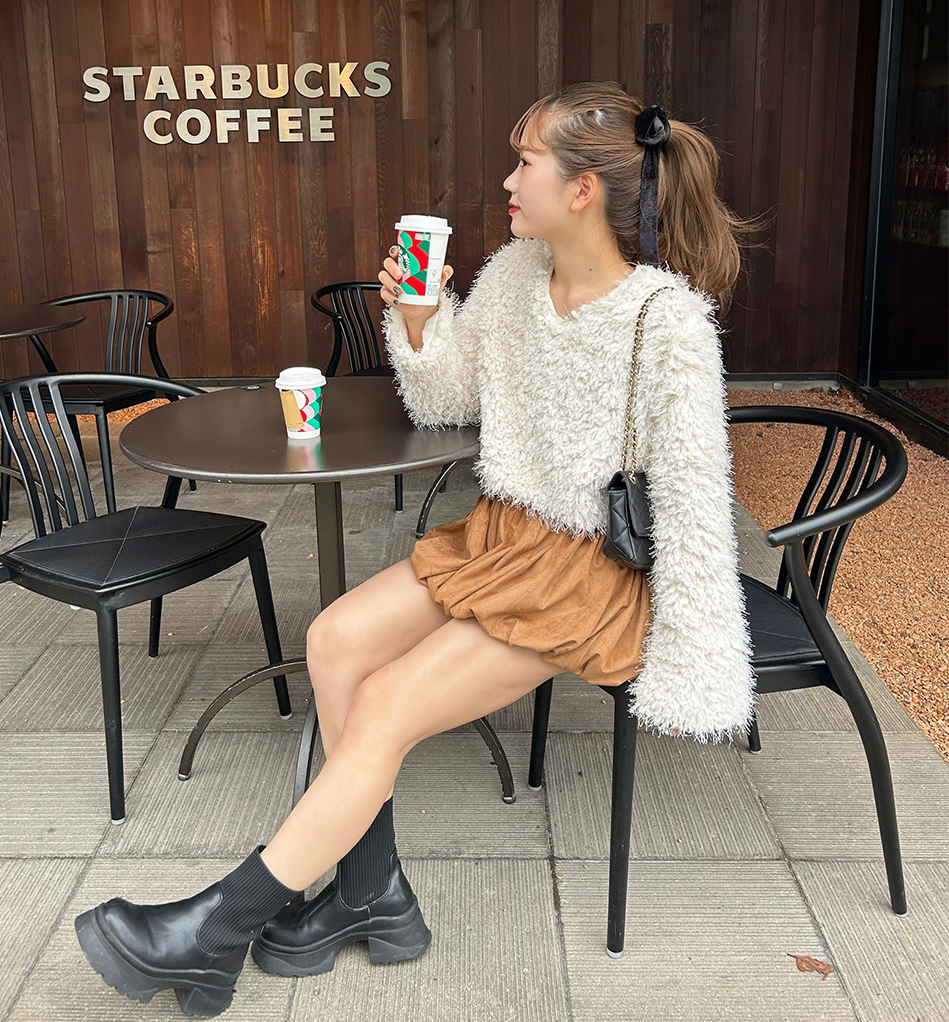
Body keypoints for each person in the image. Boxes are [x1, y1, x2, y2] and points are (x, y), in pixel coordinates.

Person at [75, 81, 755, 1017]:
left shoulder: (665, 321)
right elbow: (442, 400)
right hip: (500, 538)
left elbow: (696, 505)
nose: (507, 181)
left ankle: (212, 931)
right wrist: (420, 316)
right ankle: (372, 897)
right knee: (334, 640)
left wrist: (693, 668)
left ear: (583, 189)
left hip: (583, 575)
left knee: (386, 705)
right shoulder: (516, 276)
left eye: (525, 162)